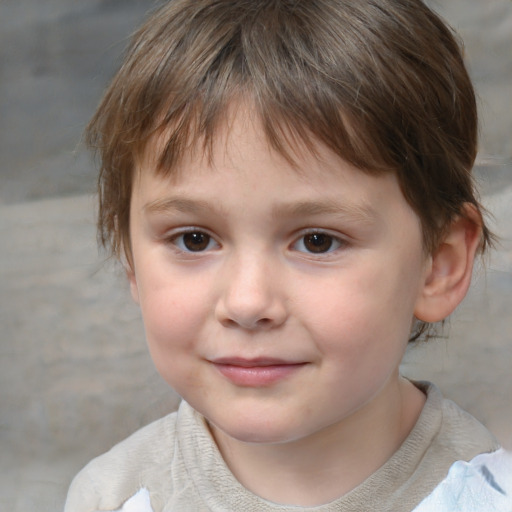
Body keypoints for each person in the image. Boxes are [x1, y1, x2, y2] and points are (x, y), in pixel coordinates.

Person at [65, 0, 512, 510]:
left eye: (317, 241)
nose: (248, 302)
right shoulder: (112, 496)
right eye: (194, 239)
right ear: (131, 260)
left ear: (440, 264)